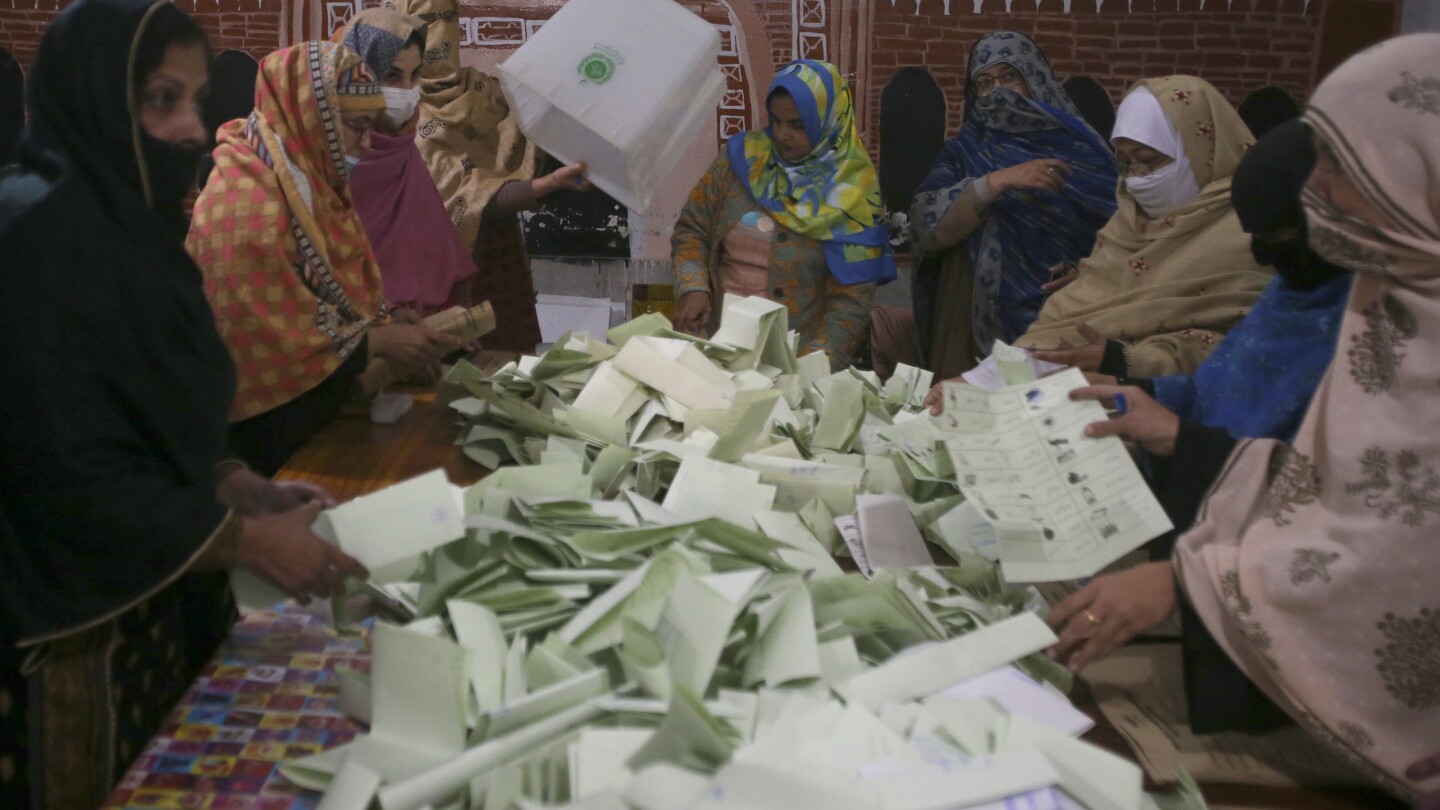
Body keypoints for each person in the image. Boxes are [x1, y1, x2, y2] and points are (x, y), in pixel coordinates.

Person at [1050, 34, 1440, 800]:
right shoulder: (1387, 296)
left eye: (1340, 163)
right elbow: (1329, 482)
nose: (1319, 189)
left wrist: (1196, 584)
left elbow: (1400, 550)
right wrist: (1152, 403)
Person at [0, 2, 367, 806]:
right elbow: (62, 474)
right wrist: (245, 541)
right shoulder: (33, 246)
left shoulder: (132, 230)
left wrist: (235, 480)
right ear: (93, 96)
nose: (196, 130)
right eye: (162, 100)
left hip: (158, 600)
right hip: (72, 630)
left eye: (195, 101)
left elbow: (145, 414)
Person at [1041, 118, 1351, 736]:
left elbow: (1342, 505)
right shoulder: (1293, 290)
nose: (1265, 256)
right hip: (1200, 538)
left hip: (1292, 609)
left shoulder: (1376, 329)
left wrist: (1182, 441)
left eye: (1279, 236)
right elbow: (1220, 390)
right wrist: (1142, 394)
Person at [188, 40, 461, 477]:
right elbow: (254, 333)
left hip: (313, 417)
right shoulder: (244, 203)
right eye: (356, 126)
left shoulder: (310, 184)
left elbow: (327, 290)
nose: (367, 141)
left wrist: (383, 325)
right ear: (313, 119)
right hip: (257, 450)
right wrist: (374, 343)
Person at [1014, 75, 1274, 380]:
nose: (1137, 177)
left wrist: (1130, 362)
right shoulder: (1125, 225)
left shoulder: (1250, 230)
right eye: (1124, 163)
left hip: (1179, 416)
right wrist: (999, 371)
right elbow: (1065, 318)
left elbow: (1253, 350)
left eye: (1148, 160)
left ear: (1200, 151)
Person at [910, 31, 1117, 378]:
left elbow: (1123, 232)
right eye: (985, 82)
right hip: (974, 320)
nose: (999, 91)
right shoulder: (963, 153)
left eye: (1009, 76)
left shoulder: (1082, 150)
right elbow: (921, 222)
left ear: (1034, 78)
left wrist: (1087, 274)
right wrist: (994, 183)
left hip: (1064, 319)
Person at [672, 59, 893, 370]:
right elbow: (692, 230)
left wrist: (807, 371)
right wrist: (694, 286)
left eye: (797, 125)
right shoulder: (742, 160)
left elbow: (850, 301)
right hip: (716, 349)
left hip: (798, 360)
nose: (781, 134)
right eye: (775, 121)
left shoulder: (854, 196)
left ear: (829, 121)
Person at [395, 0, 589, 352]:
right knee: (450, 379)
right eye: (426, 23)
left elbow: (531, 144)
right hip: (438, 277)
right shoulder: (397, 112)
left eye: (446, 19)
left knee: (507, 369)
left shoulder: (481, 90)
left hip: (500, 260)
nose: (439, 34)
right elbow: (457, 200)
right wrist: (543, 186)